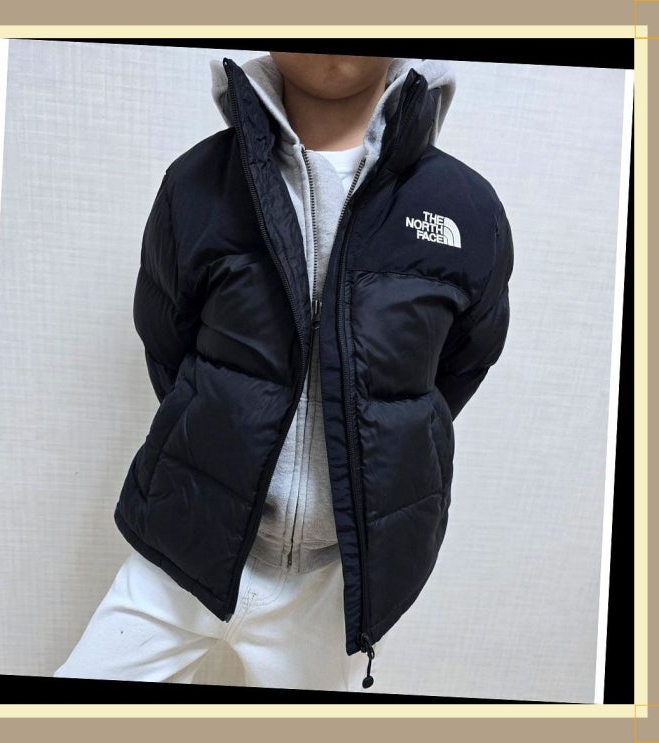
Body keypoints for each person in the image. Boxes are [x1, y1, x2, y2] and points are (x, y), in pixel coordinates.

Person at [54, 50, 513, 692]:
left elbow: (461, 365)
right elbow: (167, 341)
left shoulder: (465, 207)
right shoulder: (197, 182)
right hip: (185, 546)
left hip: (333, 582)